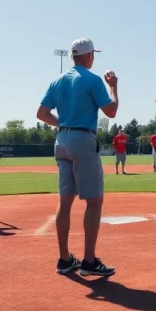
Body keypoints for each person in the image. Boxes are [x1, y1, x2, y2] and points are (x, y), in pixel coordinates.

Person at [37, 38, 119, 277]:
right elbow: (111, 111)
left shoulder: (57, 80)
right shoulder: (92, 80)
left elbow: (42, 113)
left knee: (65, 200)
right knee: (94, 201)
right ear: (89, 55)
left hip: (61, 141)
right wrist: (114, 86)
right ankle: (90, 261)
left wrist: (62, 124)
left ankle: (64, 259)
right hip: (83, 139)